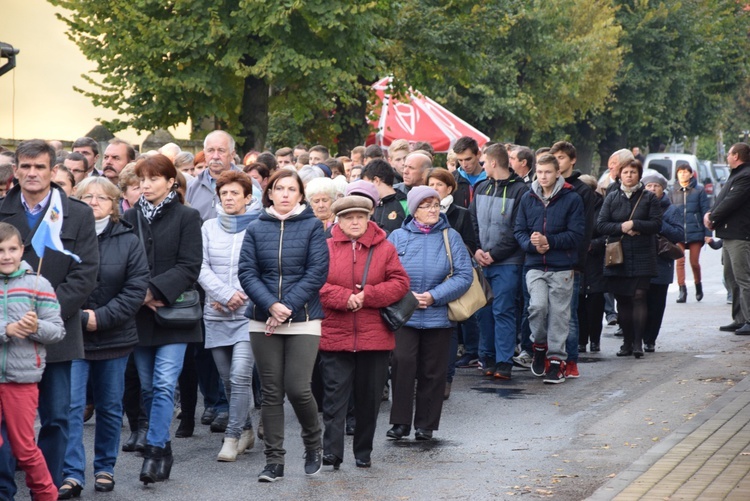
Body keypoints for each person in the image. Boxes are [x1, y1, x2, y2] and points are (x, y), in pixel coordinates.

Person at [0, 139, 99, 497]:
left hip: (57, 334)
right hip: (7, 338)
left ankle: (48, 488)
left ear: (53, 170)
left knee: (57, 418)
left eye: (39, 167)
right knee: (8, 425)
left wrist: (44, 314)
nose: (32, 173)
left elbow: (86, 273)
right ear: (16, 171)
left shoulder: (77, 213)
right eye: (25, 166)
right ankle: (3, 489)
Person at [59, 177, 149, 497]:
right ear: (76, 202)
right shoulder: (64, 237)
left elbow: (136, 287)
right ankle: (71, 473)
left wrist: (101, 318)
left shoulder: (128, 239)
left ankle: (104, 468)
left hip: (115, 337)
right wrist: (80, 317)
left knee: (110, 407)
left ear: (114, 205)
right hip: (73, 336)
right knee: (71, 407)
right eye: (87, 197)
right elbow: (57, 282)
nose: (94, 202)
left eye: (102, 197)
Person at [238, 169, 329, 482]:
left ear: (300, 195)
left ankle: (313, 442)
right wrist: (271, 306)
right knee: (271, 392)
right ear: (271, 193)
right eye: (280, 188)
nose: (286, 194)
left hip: (303, 318)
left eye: (292, 188)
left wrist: (286, 306)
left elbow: (317, 272)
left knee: (298, 388)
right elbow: (247, 272)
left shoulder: (313, 226)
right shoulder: (255, 228)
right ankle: (274, 461)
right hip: (263, 318)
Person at [122, 154, 203, 485]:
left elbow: (189, 265)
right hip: (139, 317)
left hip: (175, 315)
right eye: (142, 178)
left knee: (165, 382)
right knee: (149, 386)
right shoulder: (128, 218)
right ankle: (163, 445)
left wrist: (153, 291)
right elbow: (121, 263)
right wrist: (138, 295)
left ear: (171, 181)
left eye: (153, 178)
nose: (146, 184)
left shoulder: (187, 216)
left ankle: (155, 451)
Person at [319, 195, 410, 468]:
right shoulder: (325, 247)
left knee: (369, 400)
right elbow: (316, 283)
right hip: (335, 335)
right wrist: (344, 298)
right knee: (334, 400)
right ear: (339, 220)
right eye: (348, 217)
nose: (355, 221)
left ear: (369, 216)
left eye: (360, 216)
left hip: (375, 337)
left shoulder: (385, 247)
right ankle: (332, 453)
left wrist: (367, 296)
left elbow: (400, 283)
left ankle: (363, 452)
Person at [386, 187, 473, 441]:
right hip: (405, 315)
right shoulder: (398, 237)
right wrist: (409, 296)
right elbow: (387, 273)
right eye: (426, 205)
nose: (433, 209)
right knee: (402, 365)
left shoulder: (451, 236)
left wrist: (434, 295)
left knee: (433, 371)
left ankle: (425, 424)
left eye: (436, 204)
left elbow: (464, 275)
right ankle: (400, 422)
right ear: (414, 210)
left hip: (439, 315)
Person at [0, 222, 65, 501]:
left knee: (24, 447)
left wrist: (35, 325)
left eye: (12, 249)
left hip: (21, 378)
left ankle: (45, 494)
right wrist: (7, 329)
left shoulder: (38, 283)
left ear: (22, 250)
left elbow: (57, 330)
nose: (6, 256)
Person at [198, 171, 257, 462]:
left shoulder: (260, 226)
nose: (230, 198)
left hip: (248, 314)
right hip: (216, 313)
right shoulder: (208, 227)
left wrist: (238, 297)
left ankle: (232, 437)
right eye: (225, 194)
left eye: (236, 193)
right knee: (228, 381)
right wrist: (222, 295)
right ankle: (246, 429)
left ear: (248, 197)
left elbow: (263, 269)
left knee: (240, 375)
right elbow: (200, 266)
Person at [514, 154, 584, 384]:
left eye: (547, 172)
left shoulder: (571, 198)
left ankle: (556, 361)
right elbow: (519, 231)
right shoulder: (528, 197)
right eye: (540, 172)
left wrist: (549, 242)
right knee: (537, 307)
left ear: (557, 173)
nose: (543, 176)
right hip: (534, 265)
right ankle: (539, 345)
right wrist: (531, 244)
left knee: (560, 316)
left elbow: (576, 235)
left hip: (562, 266)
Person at [470, 143, 528, 380]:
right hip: (482, 262)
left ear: (493, 162)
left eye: (484, 162)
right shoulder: (481, 186)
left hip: (507, 262)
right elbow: (472, 222)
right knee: (483, 312)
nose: (482, 166)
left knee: (503, 310)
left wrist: (493, 254)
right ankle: (488, 357)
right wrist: (476, 250)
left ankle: (504, 361)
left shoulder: (521, 191)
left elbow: (518, 230)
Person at [596, 159, 662, 358]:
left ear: (639, 175)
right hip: (619, 255)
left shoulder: (649, 198)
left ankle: (638, 343)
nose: (629, 175)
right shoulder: (612, 197)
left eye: (633, 172)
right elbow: (602, 225)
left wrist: (635, 224)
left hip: (643, 253)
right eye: (626, 172)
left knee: (639, 296)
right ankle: (626, 342)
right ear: (620, 175)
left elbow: (657, 224)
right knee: (623, 300)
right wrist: (621, 227)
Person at [426, 168, 479, 394]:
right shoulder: (419, 213)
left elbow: (471, 245)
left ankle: (446, 378)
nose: (434, 189)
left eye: (439, 185)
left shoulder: (461, 214)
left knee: (450, 328)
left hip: (450, 278)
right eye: (431, 184)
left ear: (449, 188)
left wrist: (450, 249)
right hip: (426, 278)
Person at [704, 143, 750, 335]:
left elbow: (731, 202)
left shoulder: (745, 176)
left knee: (743, 278)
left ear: (737, 156)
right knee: (730, 277)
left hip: (740, 234)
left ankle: (749, 319)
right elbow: (723, 200)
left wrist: (713, 217)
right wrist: (712, 213)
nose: (727, 157)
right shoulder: (737, 174)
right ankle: (739, 319)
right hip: (728, 233)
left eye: (729, 154)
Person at [642, 172, 682, 352]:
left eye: (655, 186)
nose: (652, 189)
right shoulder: (639, 207)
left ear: (662, 189)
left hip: (661, 264)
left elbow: (678, 234)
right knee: (639, 302)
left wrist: (658, 223)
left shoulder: (671, 209)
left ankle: (650, 339)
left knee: (657, 304)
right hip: (640, 262)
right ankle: (637, 337)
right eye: (649, 186)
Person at [670, 164, 711, 303]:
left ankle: (698, 285)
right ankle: (682, 290)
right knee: (679, 261)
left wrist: (708, 233)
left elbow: (706, 211)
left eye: (685, 172)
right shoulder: (672, 191)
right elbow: (669, 213)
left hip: (696, 232)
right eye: (680, 172)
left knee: (694, 262)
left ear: (691, 174)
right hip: (679, 232)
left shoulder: (699, 190)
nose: (682, 174)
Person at [452, 136, 487, 208]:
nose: (464, 165)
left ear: (478, 154)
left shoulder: (491, 178)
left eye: (468, 159)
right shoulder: (452, 179)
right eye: (460, 160)